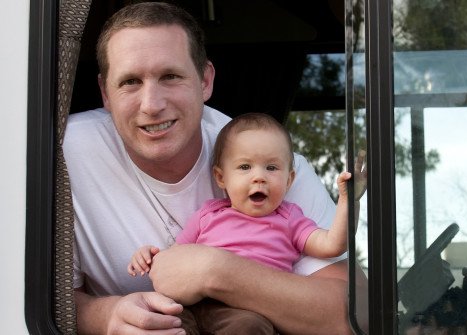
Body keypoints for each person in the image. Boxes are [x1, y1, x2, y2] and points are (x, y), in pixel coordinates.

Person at [63, 2, 368, 334]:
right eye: (130, 82)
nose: (152, 105)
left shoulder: (270, 166)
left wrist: (216, 271)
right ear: (105, 93)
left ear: (206, 81)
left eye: (170, 76)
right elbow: (37, 294)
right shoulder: (62, 154)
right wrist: (105, 316)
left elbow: (358, 314)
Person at [127, 113, 367, 334]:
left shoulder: (290, 219)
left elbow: (333, 244)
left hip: (243, 310)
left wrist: (348, 201)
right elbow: (176, 259)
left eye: (271, 168)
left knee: (251, 328)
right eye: (245, 167)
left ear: (289, 180)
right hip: (191, 304)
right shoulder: (207, 214)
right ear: (221, 177)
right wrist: (148, 255)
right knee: (161, 322)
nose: (259, 176)